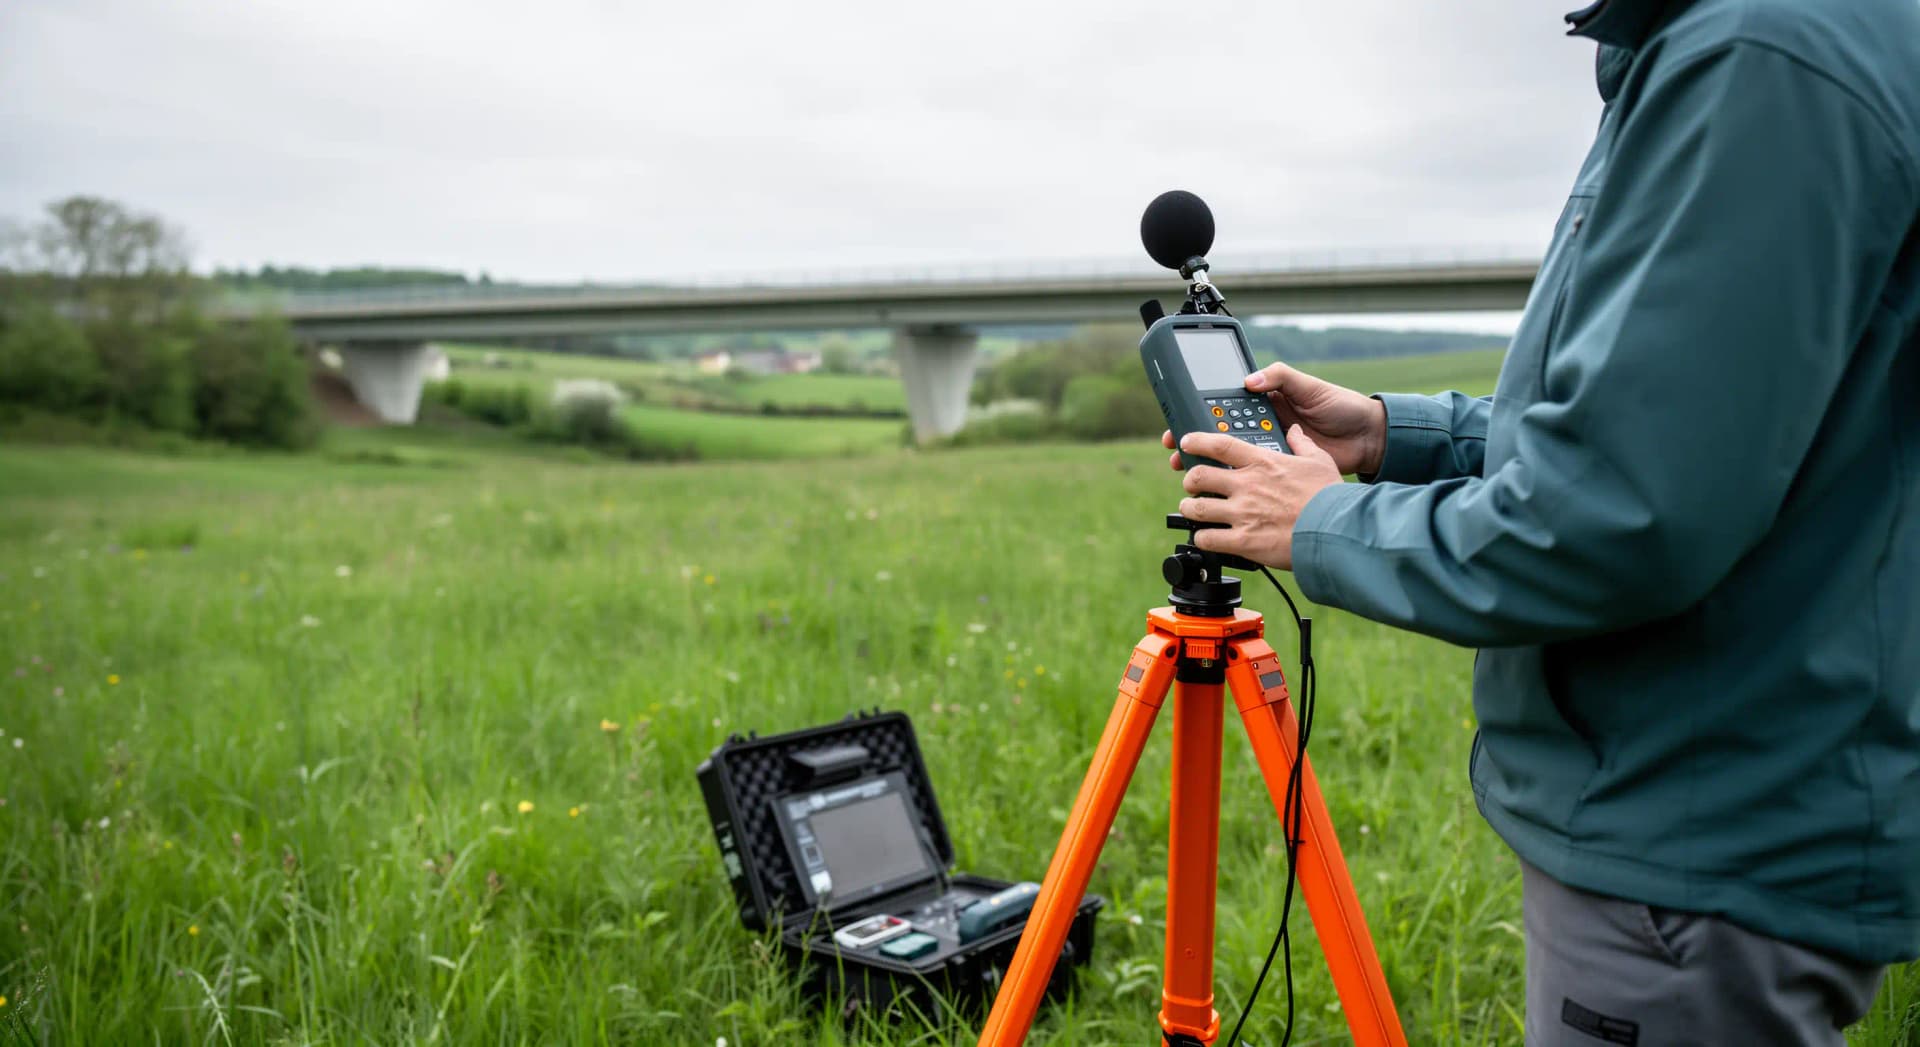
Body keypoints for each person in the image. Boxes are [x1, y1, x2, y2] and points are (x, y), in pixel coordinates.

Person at [1162, 0, 1920, 1042]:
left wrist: (1326, 523)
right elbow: (1666, 432)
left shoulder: (1760, 48)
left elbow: (1619, 514)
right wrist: (1389, 435)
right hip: (1716, 803)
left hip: (1691, 829)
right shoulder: (1748, 41)